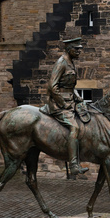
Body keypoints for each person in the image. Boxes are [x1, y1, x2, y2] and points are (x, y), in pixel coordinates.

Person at [42, 37, 89, 175]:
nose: (79, 51)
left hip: (70, 101)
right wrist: (62, 104)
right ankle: (74, 164)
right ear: (69, 50)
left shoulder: (71, 62)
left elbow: (68, 85)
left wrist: (77, 96)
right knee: (74, 128)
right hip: (58, 104)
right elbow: (53, 86)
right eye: (77, 49)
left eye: (80, 49)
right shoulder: (61, 63)